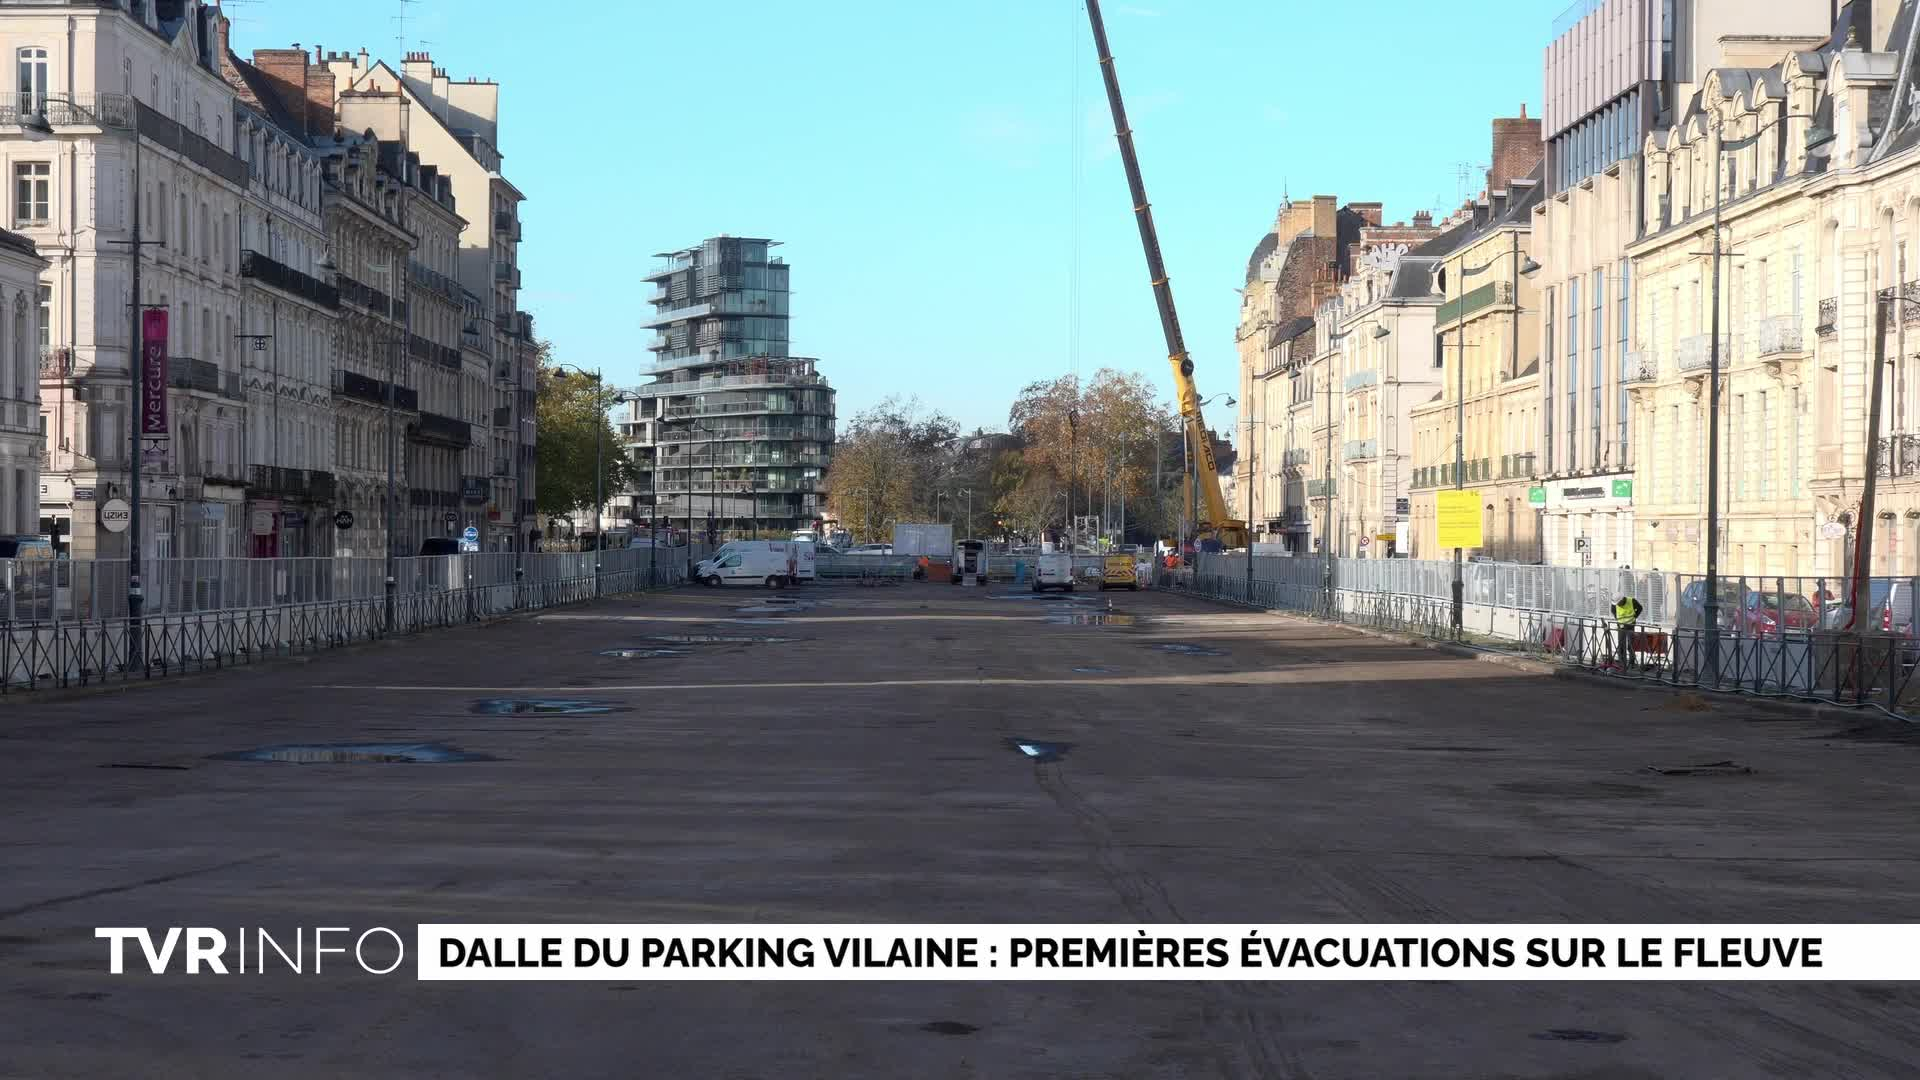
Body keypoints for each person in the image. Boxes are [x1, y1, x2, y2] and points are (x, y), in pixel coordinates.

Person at [1612, 594, 1643, 671]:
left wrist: (1634, 616)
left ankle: (1632, 663)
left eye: (1619, 603)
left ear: (1622, 600)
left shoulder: (1631, 601)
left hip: (1630, 625)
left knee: (1630, 645)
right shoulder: (1615, 604)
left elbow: (1640, 608)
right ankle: (1622, 664)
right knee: (1621, 645)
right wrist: (1617, 619)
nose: (1618, 605)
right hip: (1621, 626)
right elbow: (1613, 610)